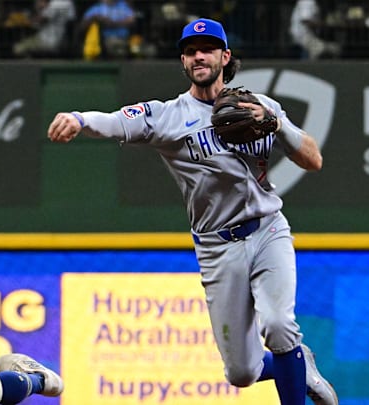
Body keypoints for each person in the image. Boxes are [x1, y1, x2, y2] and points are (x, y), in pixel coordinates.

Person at [47, 17, 337, 405]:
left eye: (207, 49)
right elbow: (114, 122)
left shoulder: (258, 106)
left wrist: (276, 123)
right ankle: (301, 367)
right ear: (183, 62)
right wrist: (80, 119)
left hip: (267, 229)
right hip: (218, 248)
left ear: (225, 56)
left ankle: (293, 363)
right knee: (242, 373)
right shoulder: (167, 116)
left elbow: (313, 159)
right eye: (190, 51)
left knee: (281, 326)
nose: (198, 56)